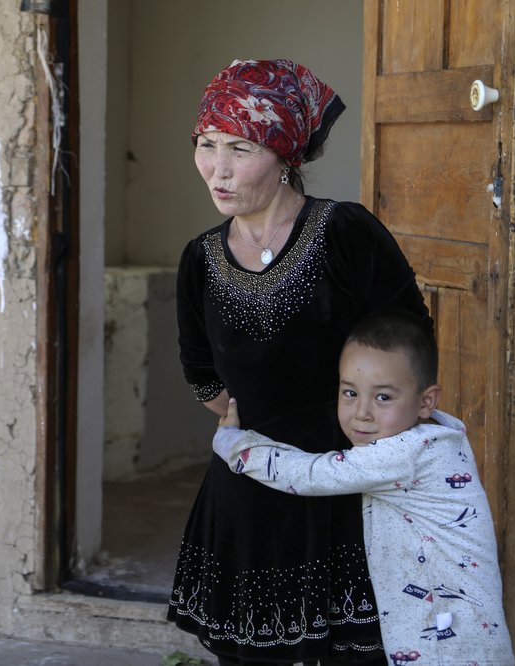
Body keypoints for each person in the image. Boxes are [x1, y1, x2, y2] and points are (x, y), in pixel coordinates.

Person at [168, 59, 432, 665]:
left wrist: (362, 423)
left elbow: (409, 340)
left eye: (241, 147)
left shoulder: (344, 231)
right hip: (249, 490)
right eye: (207, 145)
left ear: (285, 154)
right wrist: (261, 434)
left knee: (353, 653)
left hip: (347, 486)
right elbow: (203, 375)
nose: (219, 168)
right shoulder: (200, 259)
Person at [214, 310, 515, 666]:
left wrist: (233, 443)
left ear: (426, 401)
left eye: (383, 398)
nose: (362, 413)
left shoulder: (406, 453)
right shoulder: (441, 434)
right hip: (461, 632)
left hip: (446, 640)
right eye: (350, 393)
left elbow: (310, 474)